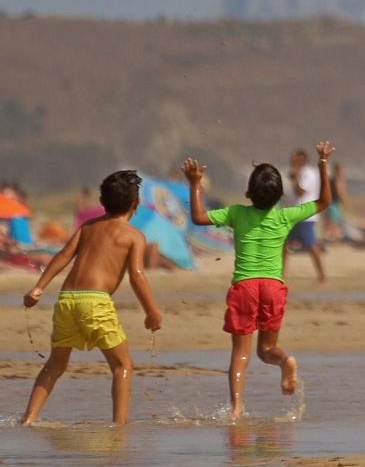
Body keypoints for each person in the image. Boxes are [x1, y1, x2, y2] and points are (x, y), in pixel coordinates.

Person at [184, 142, 332, 419]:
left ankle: (237, 407)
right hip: (274, 287)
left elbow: (199, 216)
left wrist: (194, 184)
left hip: (245, 287)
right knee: (267, 350)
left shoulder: (237, 213)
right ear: (279, 197)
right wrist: (322, 166)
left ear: (248, 193)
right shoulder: (286, 216)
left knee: (241, 354)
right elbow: (324, 201)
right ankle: (284, 360)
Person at [20, 170, 163, 425]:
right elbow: (137, 276)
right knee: (123, 366)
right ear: (136, 204)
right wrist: (151, 311)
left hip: (66, 300)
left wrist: (38, 287)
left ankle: (29, 418)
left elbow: (64, 255)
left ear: (101, 200)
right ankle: (120, 428)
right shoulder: (133, 236)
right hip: (95, 302)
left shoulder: (87, 227)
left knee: (55, 364)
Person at [282, 150, 326, 284]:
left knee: (311, 245)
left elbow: (300, 192)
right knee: (284, 243)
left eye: (294, 160)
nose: (292, 163)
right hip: (295, 214)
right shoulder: (301, 173)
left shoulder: (308, 173)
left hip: (305, 215)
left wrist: (295, 177)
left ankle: (322, 275)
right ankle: (281, 274)